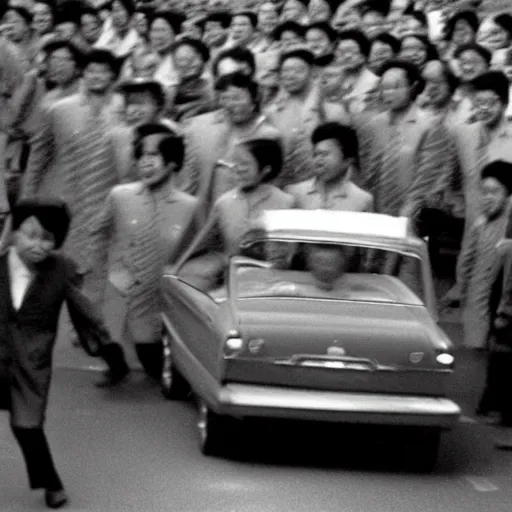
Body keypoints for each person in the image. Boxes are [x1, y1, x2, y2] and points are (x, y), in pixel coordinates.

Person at [0, 199, 129, 509]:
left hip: (31, 362)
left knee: (27, 426)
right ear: (14, 232)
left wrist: (110, 352)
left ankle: (51, 483)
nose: (38, 245)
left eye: (48, 238)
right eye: (30, 234)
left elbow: (86, 314)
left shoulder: (62, 269)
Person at [92, 123, 198, 382]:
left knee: (153, 362)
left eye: (154, 157)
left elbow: (200, 251)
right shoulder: (120, 196)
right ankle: (116, 366)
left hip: (158, 291)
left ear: (173, 162)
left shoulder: (190, 207)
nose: (145, 164)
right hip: (119, 283)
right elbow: (99, 232)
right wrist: (96, 270)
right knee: (99, 337)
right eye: (141, 157)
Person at [179, 138, 295, 291]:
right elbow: (201, 243)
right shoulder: (224, 203)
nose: (238, 169)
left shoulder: (286, 202)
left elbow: (290, 254)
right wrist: (177, 268)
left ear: (266, 168)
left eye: (245, 164)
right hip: (232, 285)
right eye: (235, 163)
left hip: (274, 286)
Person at [446, 161, 512, 350]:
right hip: (477, 313)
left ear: (508, 195)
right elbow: (465, 266)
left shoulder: (506, 226)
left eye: (495, 191)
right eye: (485, 192)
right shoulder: (480, 224)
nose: (488, 197)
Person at [286, 121, 374, 212]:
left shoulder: (362, 200)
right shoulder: (294, 194)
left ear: (347, 160)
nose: (318, 160)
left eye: (324, 154)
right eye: (315, 154)